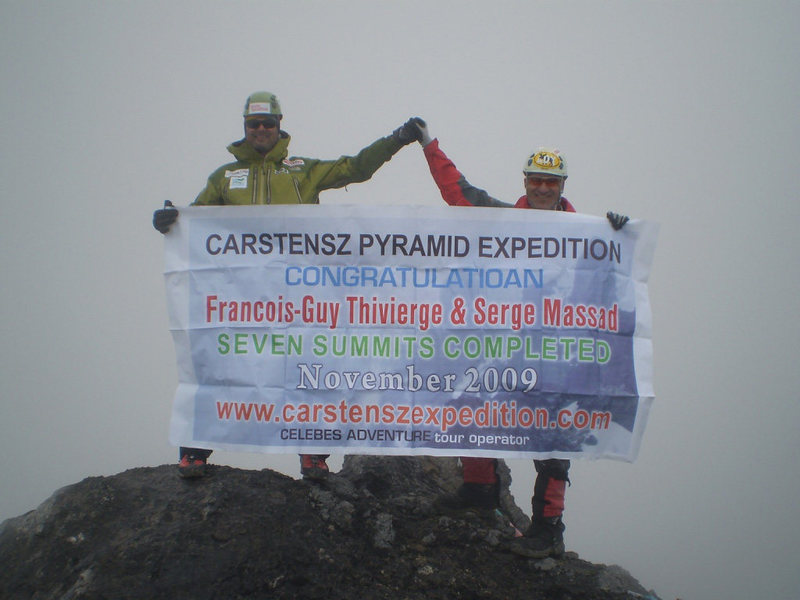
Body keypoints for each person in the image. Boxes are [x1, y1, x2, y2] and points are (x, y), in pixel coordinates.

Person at [153, 91, 421, 480]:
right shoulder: (224, 177)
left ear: (280, 126)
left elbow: (356, 168)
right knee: (222, 362)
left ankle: (313, 453)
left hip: (300, 295)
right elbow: (197, 225)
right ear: (244, 128)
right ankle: (194, 450)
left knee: (308, 366)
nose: (261, 130)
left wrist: (397, 138)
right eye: (253, 124)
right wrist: (172, 222)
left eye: (268, 123)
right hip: (242, 297)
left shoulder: (303, 169)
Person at [409, 118, 628, 559]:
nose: (543, 188)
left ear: (562, 184)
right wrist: (429, 144)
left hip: (555, 353)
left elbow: (615, 280)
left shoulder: (588, 233)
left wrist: (620, 233)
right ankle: (478, 491)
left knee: (553, 435)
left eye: (551, 181)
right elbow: (458, 190)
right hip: (501, 345)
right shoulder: (502, 219)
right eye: (535, 180)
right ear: (524, 181)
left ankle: (548, 529)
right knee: (473, 406)